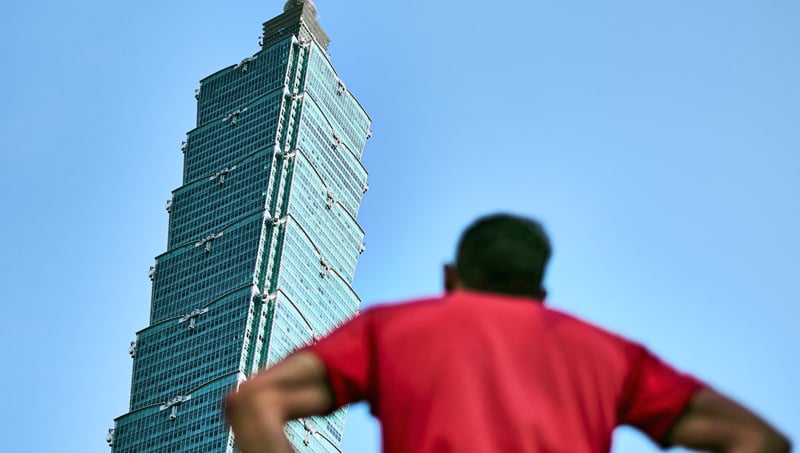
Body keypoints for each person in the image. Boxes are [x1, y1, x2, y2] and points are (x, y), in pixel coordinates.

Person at [225, 213, 791, 453]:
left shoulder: (392, 329)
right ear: (539, 292)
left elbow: (257, 401)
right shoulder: (612, 356)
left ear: (451, 276)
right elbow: (758, 441)